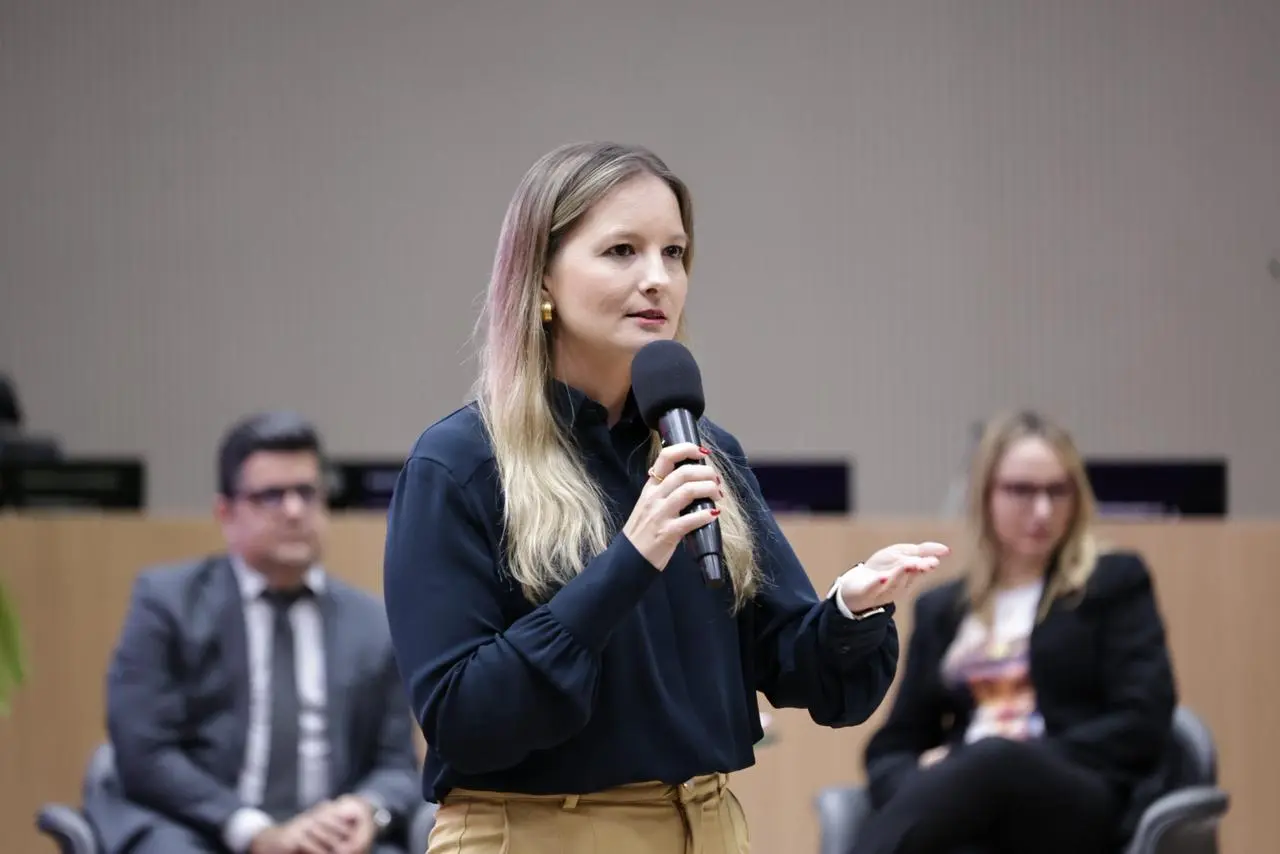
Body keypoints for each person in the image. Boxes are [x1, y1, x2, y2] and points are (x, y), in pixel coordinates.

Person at [381, 141, 951, 854]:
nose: (658, 280)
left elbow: (804, 674)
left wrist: (849, 610)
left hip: (708, 825)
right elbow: (465, 717)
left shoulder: (702, 449)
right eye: (622, 251)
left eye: (674, 253)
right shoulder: (460, 464)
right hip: (537, 833)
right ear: (543, 280)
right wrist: (630, 558)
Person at [87, 412, 422, 854]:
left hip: (330, 840)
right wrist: (253, 831)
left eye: (307, 492)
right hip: (203, 830)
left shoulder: (372, 622)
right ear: (225, 513)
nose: (294, 510)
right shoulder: (168, 603)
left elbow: (397, 764)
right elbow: (143, 751)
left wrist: (366, 809)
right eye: (271, 496)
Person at [852, 410, 1178, 854]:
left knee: (995, 756)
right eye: (1021, 490)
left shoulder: (1113, 583)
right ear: (984, 495)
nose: (1042, 509)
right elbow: (892, 746)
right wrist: (928, 779)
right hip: (976, 802)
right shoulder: (944, 608)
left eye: (1057, 491)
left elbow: (1143, 720)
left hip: (1080, 797)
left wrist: (995, 759)